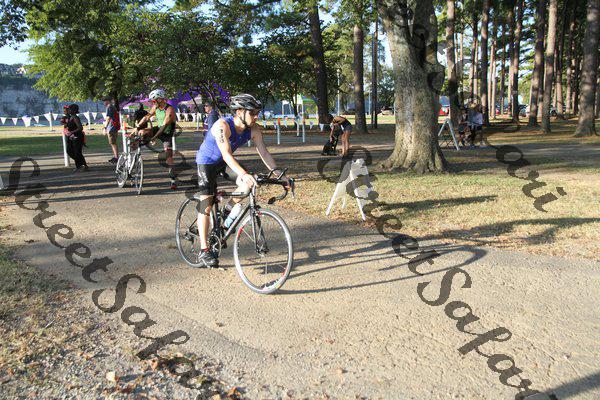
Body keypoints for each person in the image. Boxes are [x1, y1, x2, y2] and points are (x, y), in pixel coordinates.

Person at [194, 93, 289, 268]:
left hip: (224, 163)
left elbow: (264, 153)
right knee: (205, 204)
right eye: (252, 113)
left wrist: (281, 176)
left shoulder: (254, 129)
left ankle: (226, 211)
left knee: (247, 185)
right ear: (239, 112)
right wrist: (243, 173)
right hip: (206, 163)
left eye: (257, 113)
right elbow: (226, 154)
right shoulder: (222, 126)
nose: (256, 117)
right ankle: (204, 250)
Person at [135, 89, 178, 190]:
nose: (152, 103)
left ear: (160, 99)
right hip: (158, 128)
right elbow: (146, 117)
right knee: (141, 132)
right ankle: (135, 154)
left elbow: (163, 127)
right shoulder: (155, 107)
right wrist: (137, 126)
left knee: (169, 159)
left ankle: (173, 180)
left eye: (154, 101)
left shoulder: (169, 110)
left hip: (166, 133)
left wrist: (153, 138)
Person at [64, 104, 88, 172]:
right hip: (71, 137)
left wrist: (72, 132)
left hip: (77, 136)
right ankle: (81, 164)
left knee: (77, 152)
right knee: (69, 151)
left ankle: (81, 166)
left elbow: (80, 128)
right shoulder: (70, 117)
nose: (68, 110)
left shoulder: (75, 118)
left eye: (69, 109)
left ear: (73, 110)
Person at [103, 98, 121, 164]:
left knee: (112, 143)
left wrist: (105, 127)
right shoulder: (113, 107)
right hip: (114, 127)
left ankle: (116, 157)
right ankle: (116, 157)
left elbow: (108, 118)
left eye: (104, 101)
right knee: (113, 143)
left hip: (111, 127)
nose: (104, 103)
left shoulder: (109, 107)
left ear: (108, 101)